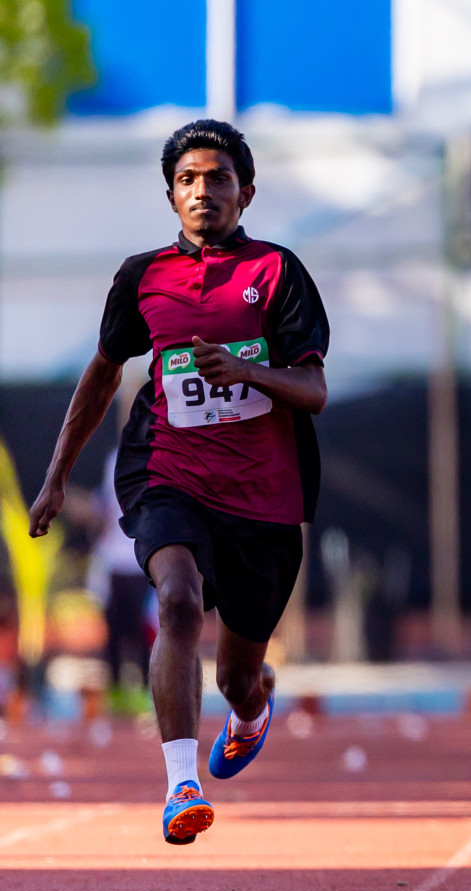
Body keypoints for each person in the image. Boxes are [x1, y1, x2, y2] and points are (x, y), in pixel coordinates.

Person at [28, 119, 330, 845]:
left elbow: (314, 388)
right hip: (169, 473)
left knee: (235, 677)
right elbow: (102, 376)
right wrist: (55, 477)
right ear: (170, 196)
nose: (203, 191)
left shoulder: (277, 272)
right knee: (179, 598)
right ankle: (180, 785)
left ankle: (252, 710)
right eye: (188, 180)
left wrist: (248, 370)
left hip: (265, 497)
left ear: (245, 192)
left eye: (218, 178)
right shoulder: (143, 277)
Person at [88, 453, 154, 713]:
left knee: (142, 633)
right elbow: (103, 508)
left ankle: (144, 693)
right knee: (114, 632)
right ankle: (116, 694)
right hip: (115, 562)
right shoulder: (114, 459)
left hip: (140, 561)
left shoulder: (156, 453)